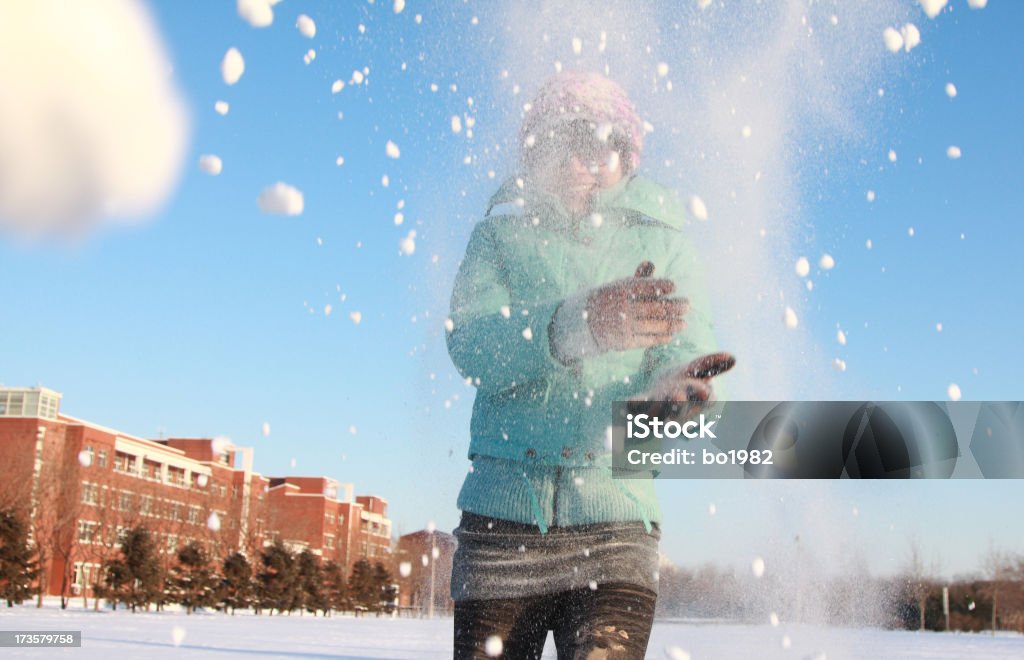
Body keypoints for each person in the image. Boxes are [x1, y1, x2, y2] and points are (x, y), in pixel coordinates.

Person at [446, 71, 734, 659]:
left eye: (600, 144)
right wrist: (577, 324)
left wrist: (678, 390)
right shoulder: (497, 239)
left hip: (616, 523)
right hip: (502, 524)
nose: (583, 162)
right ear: (535, 154)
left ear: (626, 158)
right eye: (564, 143)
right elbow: (471, 345)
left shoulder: (668, 244)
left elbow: (687, 347)